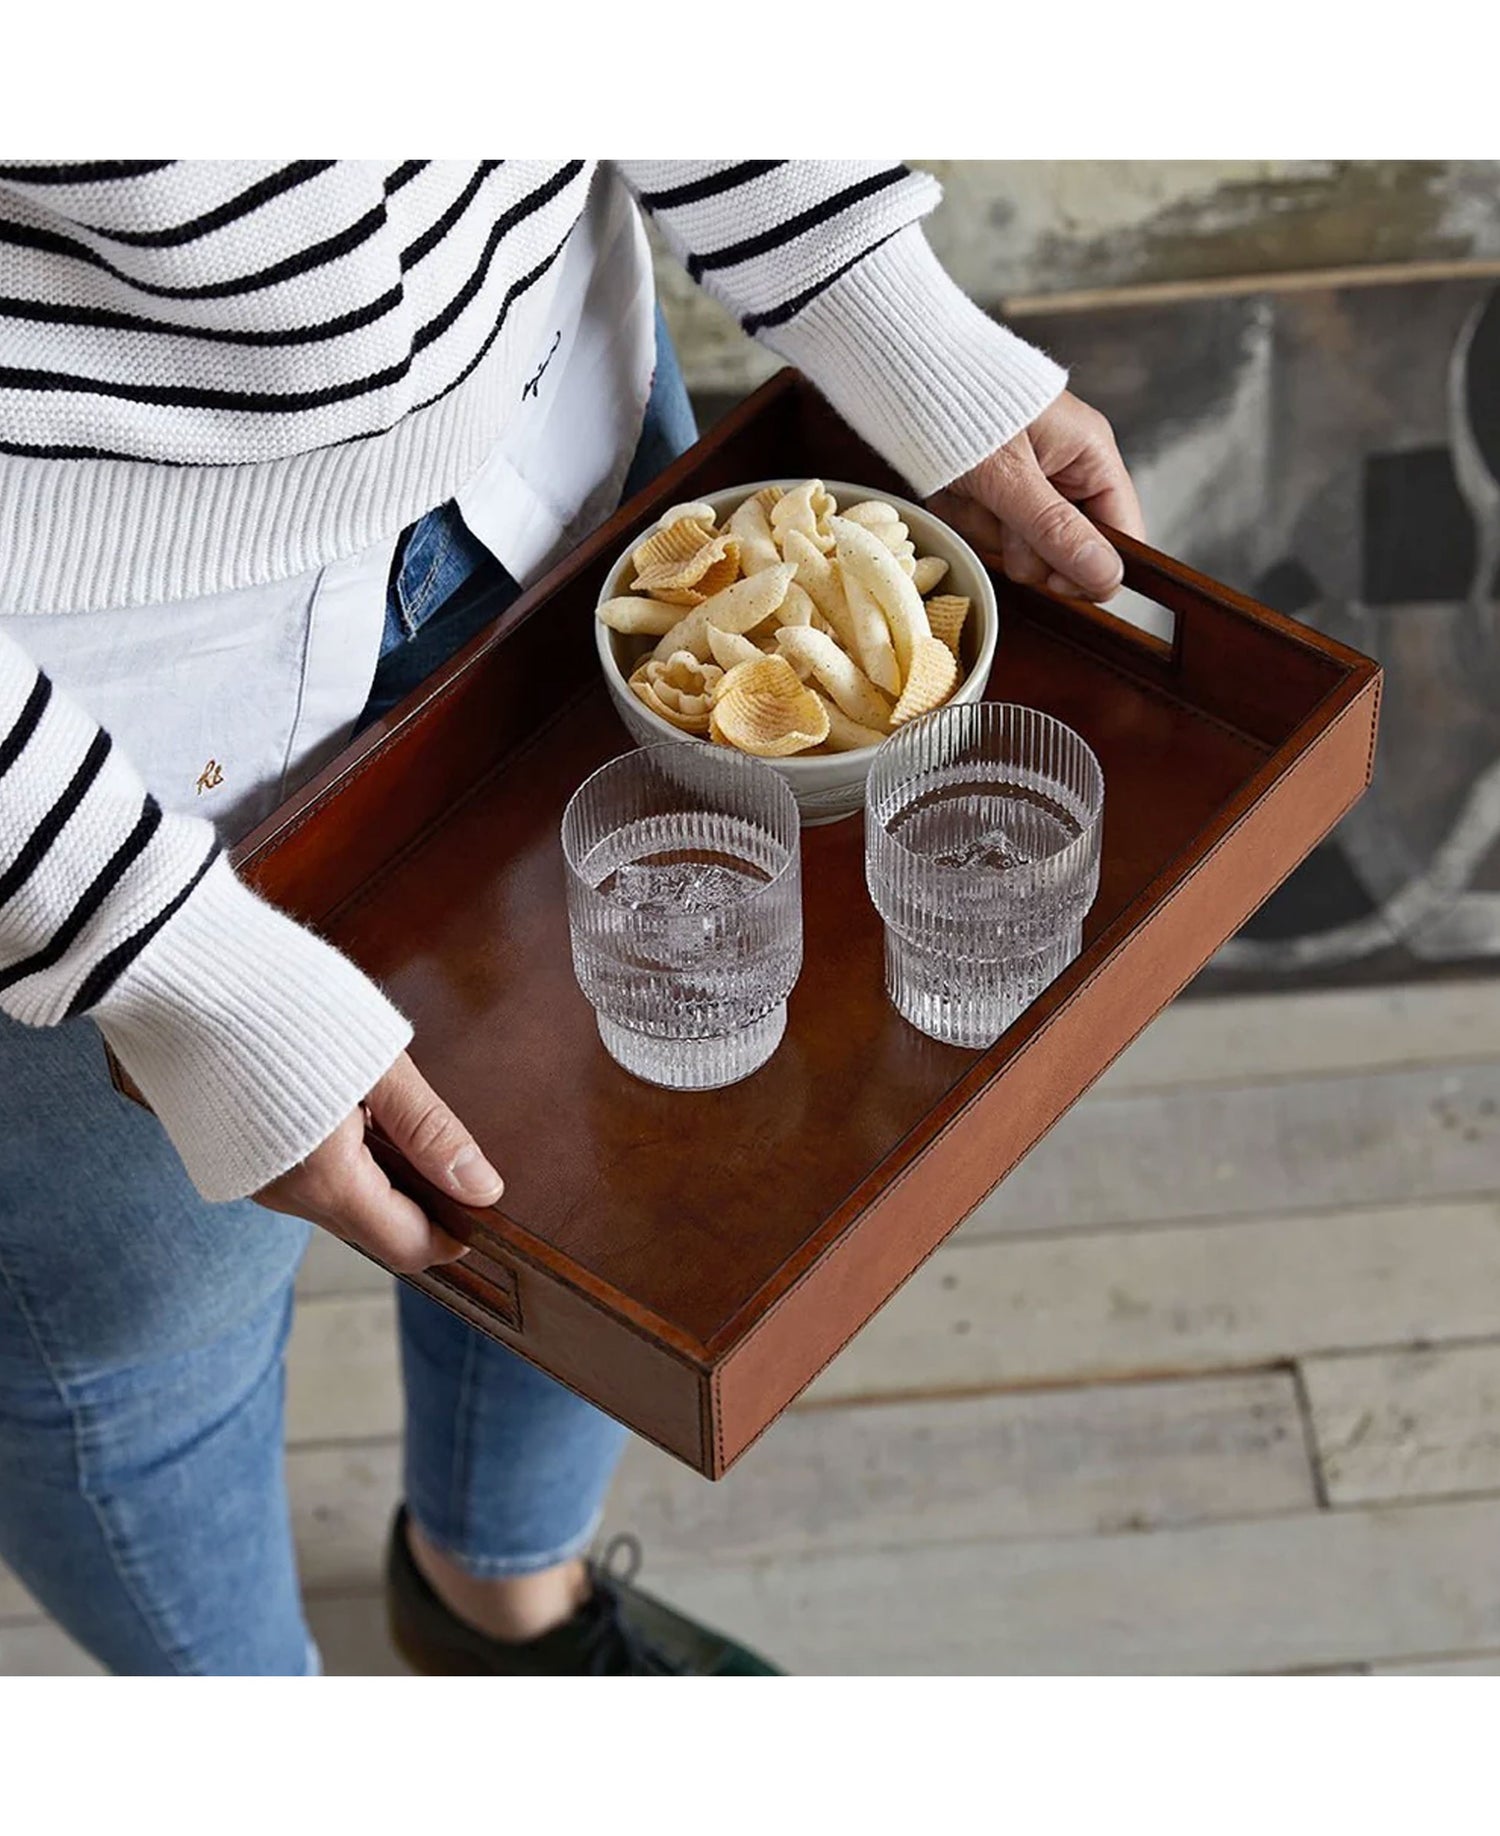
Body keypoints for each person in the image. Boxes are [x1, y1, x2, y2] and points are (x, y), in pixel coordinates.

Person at [0, 159, 1145, 1675]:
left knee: (604, 1157)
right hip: (87, 721)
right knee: (144, 1372)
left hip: (567, 447)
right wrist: (131, 931)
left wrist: (882, 304)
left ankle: (500, 1601)